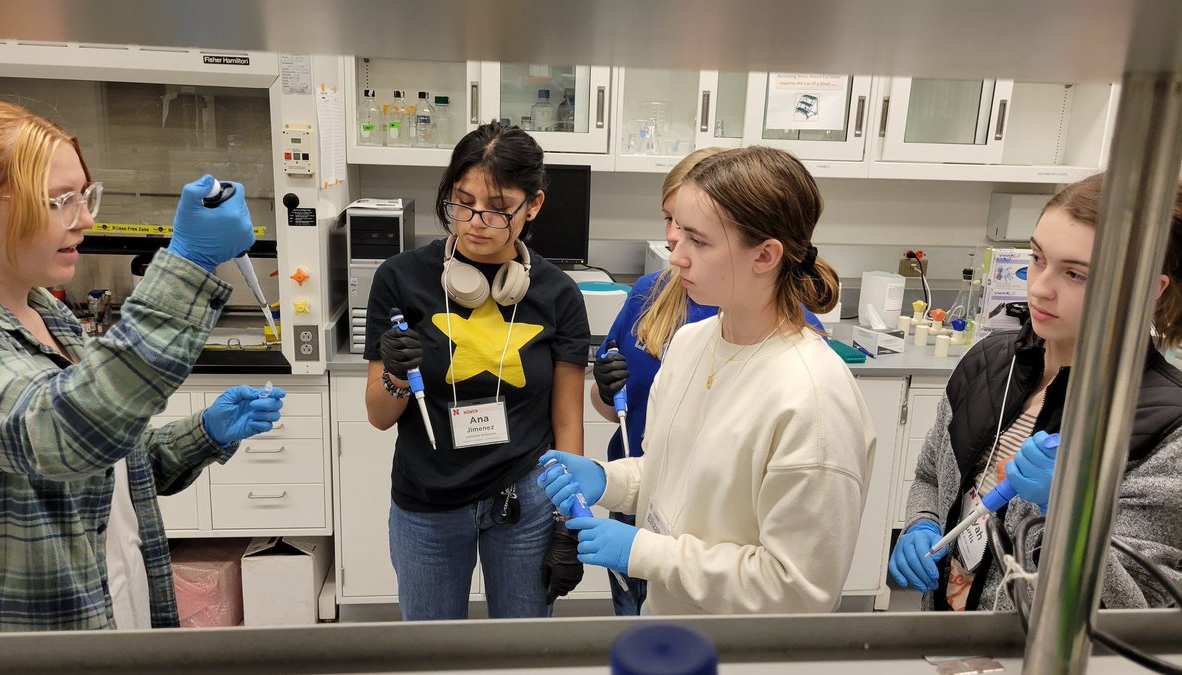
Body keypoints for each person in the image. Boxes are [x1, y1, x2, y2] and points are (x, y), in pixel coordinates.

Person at [0, 99, 286, 631]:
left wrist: (204, 434)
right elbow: (60, 433)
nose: (86, 218)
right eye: (60, 201)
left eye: (85, 195)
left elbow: (105, 465)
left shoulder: (48, 313)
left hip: (123, 607)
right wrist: (188, 262)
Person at [540, 146, 877, 615]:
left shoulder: (813, 398)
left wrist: (645, 552)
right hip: (667, 628)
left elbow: (798, 590)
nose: (675, 256)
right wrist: (608, 479)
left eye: (697, 241)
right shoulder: (693, 343)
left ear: (765, 255)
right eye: (675, 235)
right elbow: (673, 478)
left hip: (745, 656)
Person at [889, 173, 1182, 611]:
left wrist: (1071, 513)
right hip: (950, 635)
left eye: (1076, 274)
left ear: (1148, 292)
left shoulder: (1167, 431)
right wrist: (921, 522)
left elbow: (1142, 609)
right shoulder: (989, 361)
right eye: (1038, 257)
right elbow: (932, 474)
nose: (1040, 286)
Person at [364, 121, 590, 620]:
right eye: (461, 202)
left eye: (497, 207)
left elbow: (568, 422)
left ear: (533, 206)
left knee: (521, 654)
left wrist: (566, 519)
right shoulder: (400, 279)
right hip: (427, 501)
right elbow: (380, 417)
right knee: (431, 656)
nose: (474, 220)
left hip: (525, 499)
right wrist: (398, 375)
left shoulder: (558, 294)